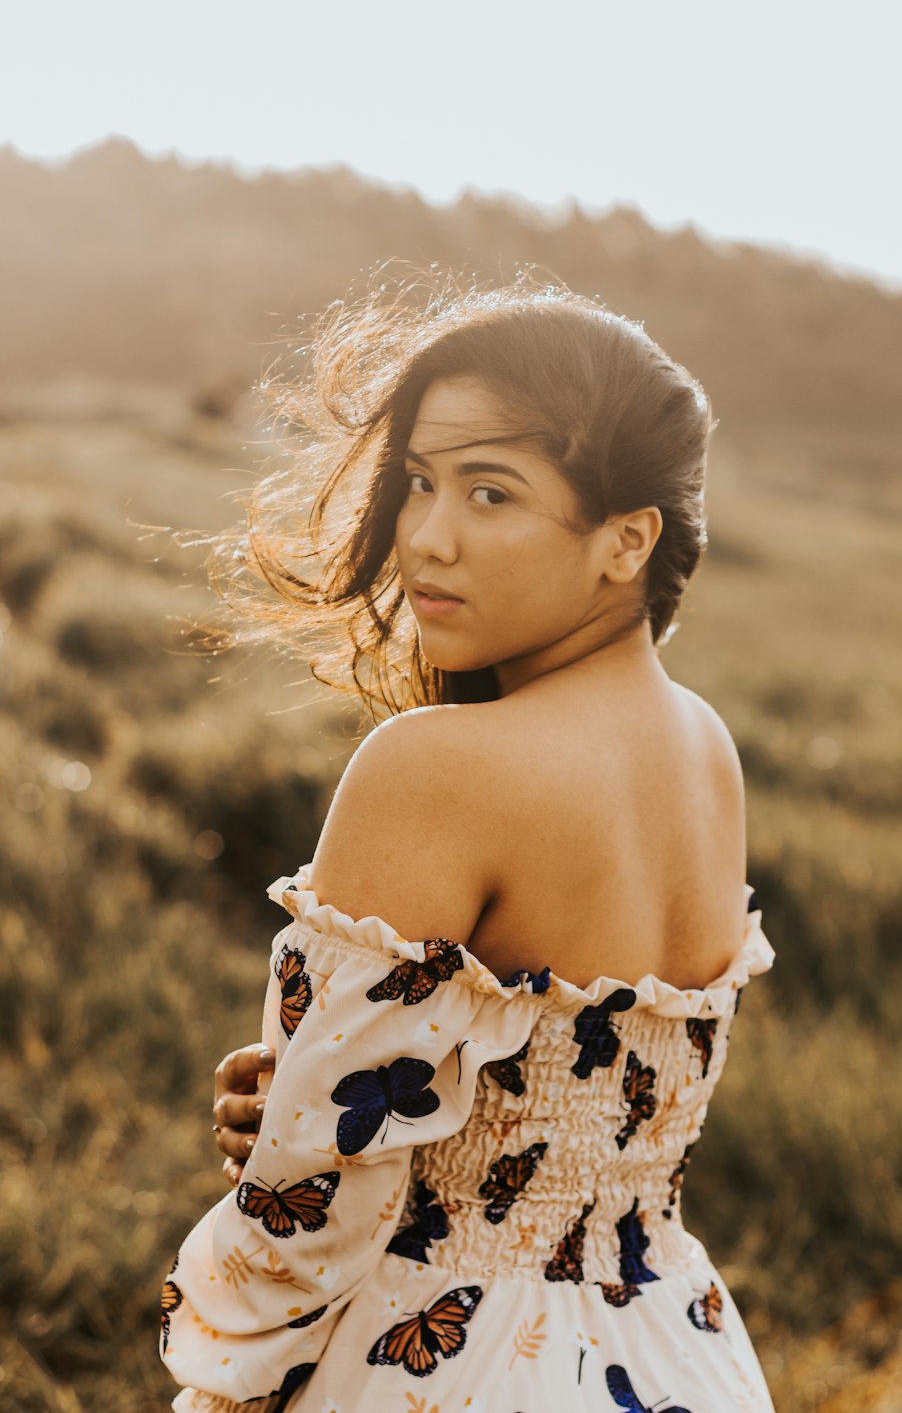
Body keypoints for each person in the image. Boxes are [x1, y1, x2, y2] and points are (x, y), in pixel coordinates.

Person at [159, 272, 777, 1412]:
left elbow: (310, 1214)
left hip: (438, 1364)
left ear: (625, 539)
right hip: (667, 1353)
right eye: (419, 481)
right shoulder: (704, 751)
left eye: (490, 494)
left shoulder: (438, 765)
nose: (427, 537)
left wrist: (234, 1333)